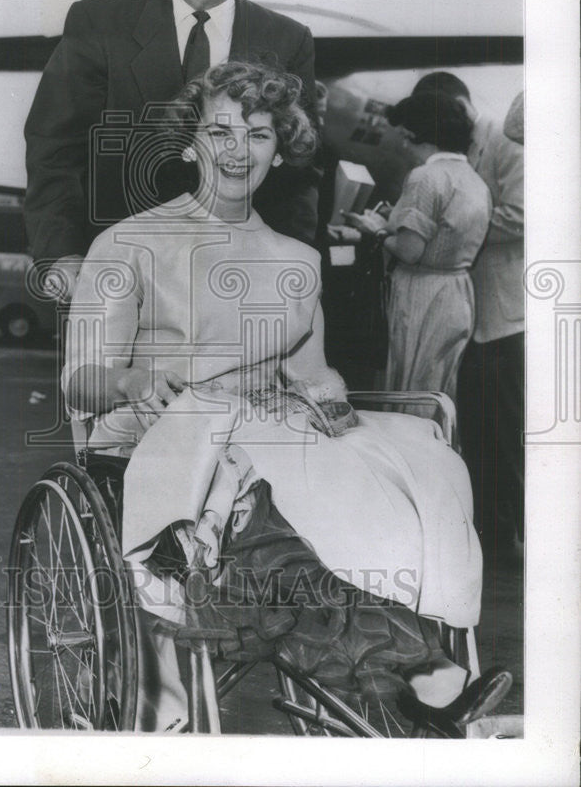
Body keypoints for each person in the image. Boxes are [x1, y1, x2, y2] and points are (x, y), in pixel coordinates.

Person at [63, 63, 498, 731]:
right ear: (190, 143)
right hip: (161, 438)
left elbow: (314, 375)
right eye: (220, 130)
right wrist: (131, 380)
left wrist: (329, 403)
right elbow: (82, 378)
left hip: (268, 433)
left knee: (419, 462)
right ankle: (416, 670)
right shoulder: (129, 244)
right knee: (254, 501)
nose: (239, 150)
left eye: (259, 134)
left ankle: (404, 657)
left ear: (280, 148)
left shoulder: (298, 260)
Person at [23, 0, 320, 301]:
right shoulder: (98, 22)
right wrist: (63, 255)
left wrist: (288, 270)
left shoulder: (287, 40)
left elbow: (299, 171)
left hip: (235, 284)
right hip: (114, 277)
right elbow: (52, 150)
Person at [348, 91, 492, 404]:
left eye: (403, 136)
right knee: (437, 393)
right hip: (457, 294)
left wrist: (377, 230)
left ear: (416, 135)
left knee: (407, 393)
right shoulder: (474, 180)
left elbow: (409, 251)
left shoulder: (426, 176)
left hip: (420, 296)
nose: (402, 145)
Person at [457, 92, 525, 552]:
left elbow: (521, 215)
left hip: (504, 314)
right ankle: (495, 537)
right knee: (481, 433)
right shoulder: (465, 146)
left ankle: (533, 539)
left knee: (510, 434)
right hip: (473, 313)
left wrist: (458, 230)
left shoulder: (505, 139)